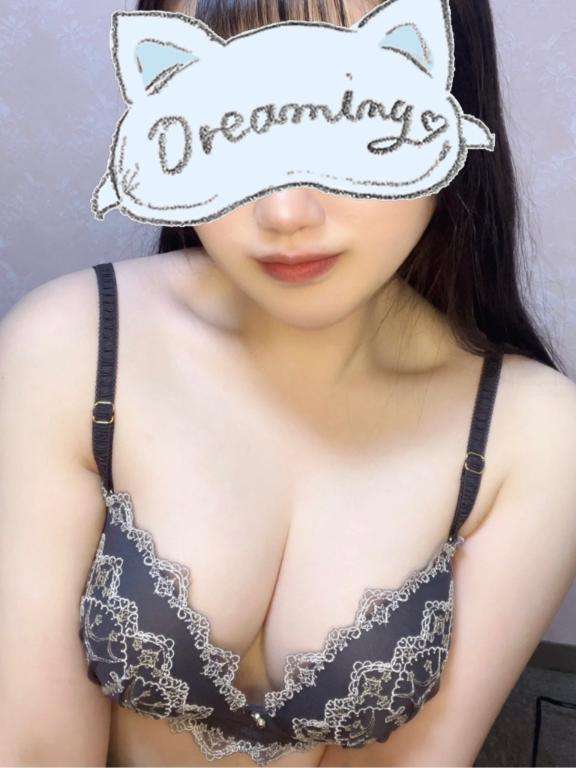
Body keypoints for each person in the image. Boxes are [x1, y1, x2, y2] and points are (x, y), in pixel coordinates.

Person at [1, 1, 576, 766]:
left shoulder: (535, 435)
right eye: (231, 122)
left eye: (343, 114)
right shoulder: (70, 344)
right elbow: (33, 746)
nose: (284, 212)